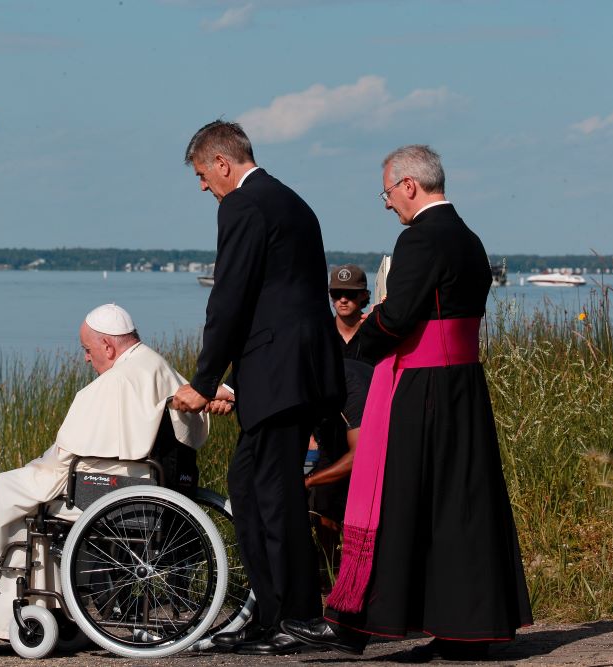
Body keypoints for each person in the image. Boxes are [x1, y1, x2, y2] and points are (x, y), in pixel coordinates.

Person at [284, 145, 532, 661]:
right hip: (466, 383)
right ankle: (466, 629)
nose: (388, 203)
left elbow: (397, 316)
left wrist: (358, 347)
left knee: (400, 500)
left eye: (388, 192)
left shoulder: (419, 238)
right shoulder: (470, 239)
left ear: (410, 185)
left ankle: (360, 624)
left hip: (424, 386)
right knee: (461, 505)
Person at [170, 120, 345, 656]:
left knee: (274, 498)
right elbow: (283, 298)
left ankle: (300, 617)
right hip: (293, 372)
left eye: (203, 175)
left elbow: (230, 300)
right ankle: (271, 613)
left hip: (281, 377)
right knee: (248, 490)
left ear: (222, 162)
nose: (203, 187)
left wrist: (203, 382)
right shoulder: (292, 201)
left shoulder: (242, 206)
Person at [0, 303, 208, 640]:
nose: (85, 358)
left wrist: (39, 465)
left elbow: (66, 460)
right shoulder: (156, 364)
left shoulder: (115, 382)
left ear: (107, 346)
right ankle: (49, 608)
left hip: (107, 486)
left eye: (87, 349)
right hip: (144, 482)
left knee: (2, 489)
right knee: (20, 495)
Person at [305, 358, 372, 584]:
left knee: (364, 504)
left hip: (377, 440)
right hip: (332, 431)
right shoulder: (303, 381)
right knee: (322, 502)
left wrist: (308, 481)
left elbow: (359, 457)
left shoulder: (352, 386)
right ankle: (332, 572)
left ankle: (362, 573)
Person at [328, 264, 373, 363]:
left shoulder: (374, 335)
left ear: (364, 295)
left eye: (350, 294)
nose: (343, 300)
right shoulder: (323, 334)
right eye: (336, 294)